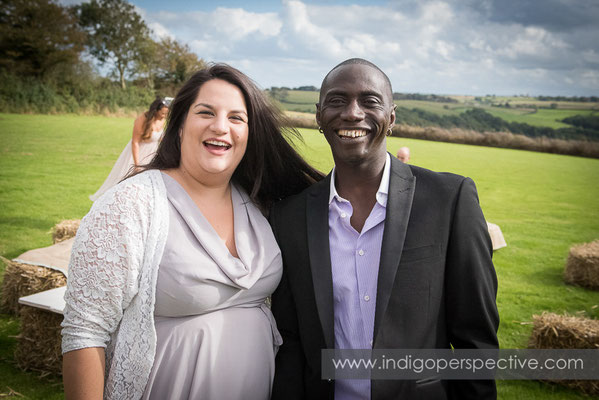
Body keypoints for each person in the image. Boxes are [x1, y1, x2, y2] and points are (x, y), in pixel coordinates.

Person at [62, 64, 322, 400]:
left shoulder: (261, 202)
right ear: (181, 123)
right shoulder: (131, 205)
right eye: (206, 112)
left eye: (236, 118)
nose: (220, 127)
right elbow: (85, 332)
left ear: (250, 132)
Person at [270, 58, 499, 399]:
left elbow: (476, 340)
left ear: (391, 116)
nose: (352, 112)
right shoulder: (290, 216)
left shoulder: (449, 201)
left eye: (369, 101)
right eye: (337, 100)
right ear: (319, 116)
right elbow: (290, 338)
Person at [88, 96, 171, 201]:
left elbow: (161, 140)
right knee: (126, 178)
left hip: (152, 153)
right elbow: (135, 142)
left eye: (166, 113)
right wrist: (136, 164)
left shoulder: (163, 120)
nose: (164, 115)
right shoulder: (143, 119)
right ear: (156, 111)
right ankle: (113, 201)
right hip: (138, 151)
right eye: (162, 113)